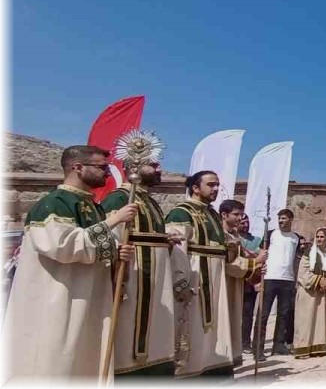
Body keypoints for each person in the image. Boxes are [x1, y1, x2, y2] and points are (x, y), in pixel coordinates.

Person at [1, 145, 135, 383]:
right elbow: (62, 247)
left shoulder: (93, 206)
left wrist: (117, 252)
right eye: (102, 167)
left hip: (90, 299)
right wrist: (114, 220)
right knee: (57, 362)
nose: (108, 173)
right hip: (59, 298)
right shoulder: (53, 204)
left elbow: (94, 246)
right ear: (78, 168)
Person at [101, 153, 183, 378]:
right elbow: (111, 239)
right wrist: (119, 267)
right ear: (135, 165)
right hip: (133, 279)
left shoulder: (151, 202)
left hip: (156, 281)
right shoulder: (118, 199)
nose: (159, 168)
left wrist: (165, 240)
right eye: (153, 164)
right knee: (130, 333)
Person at [166, 170, 254, 378]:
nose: (215, 189)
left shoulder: (212, 215)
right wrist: (180, 282)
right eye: (211, 185)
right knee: (194, 330)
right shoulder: (181, 213)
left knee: (216, 329)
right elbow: (178, 251)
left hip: (217, 281)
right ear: (195, 188)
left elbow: (223, 250)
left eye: (217, 185)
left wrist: (247, 260)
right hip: (196, 280)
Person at [256, 208, 301, 357]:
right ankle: (258, 347)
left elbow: (295, 258)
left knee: (283, 314)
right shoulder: (270, 234)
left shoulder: (296, 238)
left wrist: (295, 279)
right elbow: (260, 252)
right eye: (280, 219)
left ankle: (279, 344)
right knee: (264, 313)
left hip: (287, 279)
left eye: (284, 218)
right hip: (270, 277)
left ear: (291, 219)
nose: (281, 221)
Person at [217, 200, 254, 368]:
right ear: (224, 215)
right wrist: (253, 264)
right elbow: (223, 263)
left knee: (234, 320)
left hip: (235, 285)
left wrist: (254, 261)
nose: (240, 218)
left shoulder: (235, 235)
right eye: (236, 214)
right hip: (222, 284)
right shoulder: (219, 235)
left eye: (241, 215)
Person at [294, 227, 326, 358]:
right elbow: (303, 272)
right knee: (306, 319)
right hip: (309, 292)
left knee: (322, 320)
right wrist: (319, 281)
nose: (319, 239)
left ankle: (318, 347)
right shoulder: (309, 253)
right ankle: (303, 348)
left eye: (322, 237)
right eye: (317, 237)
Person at [234, 214, 262, 354]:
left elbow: (259, 256)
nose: (246, 225)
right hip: (235, 280)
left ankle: (245, 343)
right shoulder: (233, 238)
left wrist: (247, 254)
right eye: (243, 223)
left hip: (250, 282)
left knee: (247, 314)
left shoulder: (256, 240)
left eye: (247, 222)